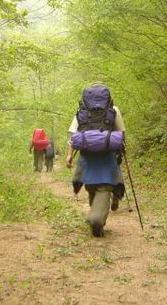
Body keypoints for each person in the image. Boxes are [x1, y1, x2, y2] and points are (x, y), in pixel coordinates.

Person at [65, 83, 126, 237]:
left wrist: (69, 155)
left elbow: (73, 135)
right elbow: (122, 133)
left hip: (87, 157)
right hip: (107, 156)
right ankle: (97, 219)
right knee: (104, 187)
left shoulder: (82, 111)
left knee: (91, 186)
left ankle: (96, 219)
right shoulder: (113, 110)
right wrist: (121, 150)